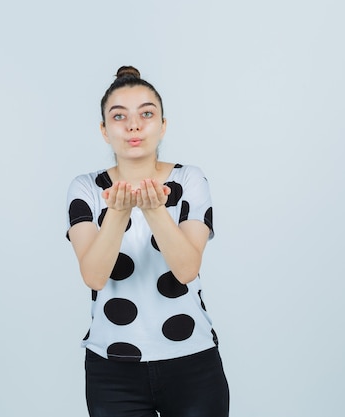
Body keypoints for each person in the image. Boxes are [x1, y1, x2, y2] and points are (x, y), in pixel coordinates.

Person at [65, 66, 229, 417]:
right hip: (112, 369)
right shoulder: (84, 189)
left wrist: (155, 211)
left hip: (193, 362)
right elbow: (94, 276)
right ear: (105, 131)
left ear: (162, 125)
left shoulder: (190, 179)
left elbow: (186, 269)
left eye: (146, 114)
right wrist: (119, 214)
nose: (134, 125)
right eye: (119, 116)